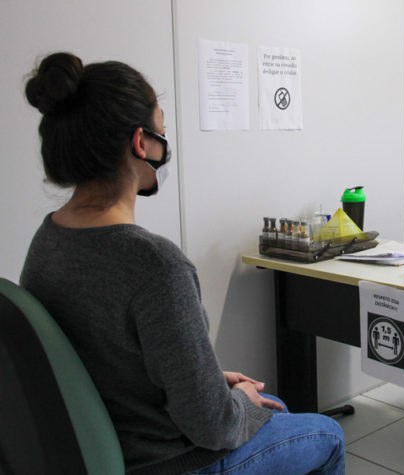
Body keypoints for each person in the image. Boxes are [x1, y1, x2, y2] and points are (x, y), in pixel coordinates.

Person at [20, 52, 345, 475]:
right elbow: (215, 428)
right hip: (166, 462)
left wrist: (210, 380)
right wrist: (236, 401)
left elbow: (106, 359)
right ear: (142, 143)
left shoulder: (47, 239)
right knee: (327, 433)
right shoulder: (155, 265)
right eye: (163, 130)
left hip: (99, 447)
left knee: (273, 404)